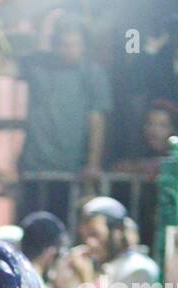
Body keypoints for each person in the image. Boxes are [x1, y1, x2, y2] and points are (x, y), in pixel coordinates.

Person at [16, 16, 113, 221]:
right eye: (63, 45)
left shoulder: (93, 73)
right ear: (53, 44)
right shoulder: (36, 64)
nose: (69, 50)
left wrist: (92, 163)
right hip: (34, 166)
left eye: (75, 44)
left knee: (66, 225)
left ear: (84, 46)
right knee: (32, 224)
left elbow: (96, 119)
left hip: (72, 169)